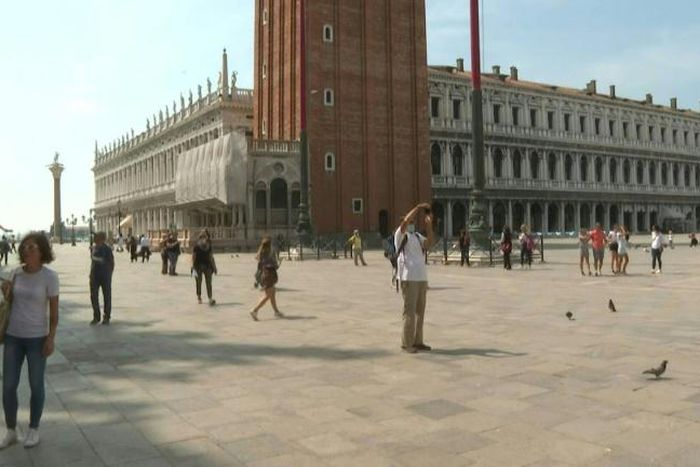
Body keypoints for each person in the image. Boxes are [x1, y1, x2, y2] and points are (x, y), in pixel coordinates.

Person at [0, 233, 59, 449]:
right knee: (8, 386)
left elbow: (53, 313)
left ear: (42, 251)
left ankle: (34, 429)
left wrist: (50, 338)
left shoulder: (50, 277)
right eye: (24, 246)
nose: (26, 250)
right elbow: (9, 301)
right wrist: (6, 290)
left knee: (36, 385)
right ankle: (11, 430)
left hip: (37, 338)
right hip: (13, 336)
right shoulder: (16, 273)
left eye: (32, 247)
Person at [395, 202, 434, 354]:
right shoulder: (400, 234)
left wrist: (429, 225)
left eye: (413, 223)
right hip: (408, 277)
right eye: (410, 222)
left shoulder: (417, 236)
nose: (411, 224)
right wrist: (418, 208)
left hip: (421, 277)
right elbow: (405, 222)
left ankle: (418, 341)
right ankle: (407, 343)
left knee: (420, 312)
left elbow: (429, 243)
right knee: (409, 312)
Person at [250, 237, 283, 321]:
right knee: (268, 295)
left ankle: (276, 311)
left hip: (264, 275)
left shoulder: (261, 253)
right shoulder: (270, 254)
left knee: (272, 293)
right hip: (270, 275)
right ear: (269, 246)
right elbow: (276, 266)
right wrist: (280, 262)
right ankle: (254, 310)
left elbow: (259, 262)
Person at [89, 232, 114, 325]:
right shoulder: (94, 248)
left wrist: (93, 257)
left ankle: (106, 316)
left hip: (104, 276)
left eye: (96, 237)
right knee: (93, 296)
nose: (94, 238)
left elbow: (105, 261)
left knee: (107, 296)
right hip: (94, 276)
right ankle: (96, 316)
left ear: (101, 239)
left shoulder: (106, 249)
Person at [191, 231, 217, 305]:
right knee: (198, 282)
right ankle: (199, 296)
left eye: (206, 237)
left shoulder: (209, 246)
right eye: (204, 237)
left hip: (207, 266)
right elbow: (193, 257)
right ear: (200, 238)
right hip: (198, 266)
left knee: (209, 282)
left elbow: (211, 257)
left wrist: (214, 267)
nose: (205, 239)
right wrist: (193, 266)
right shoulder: (196, 246)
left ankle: (210, 298)